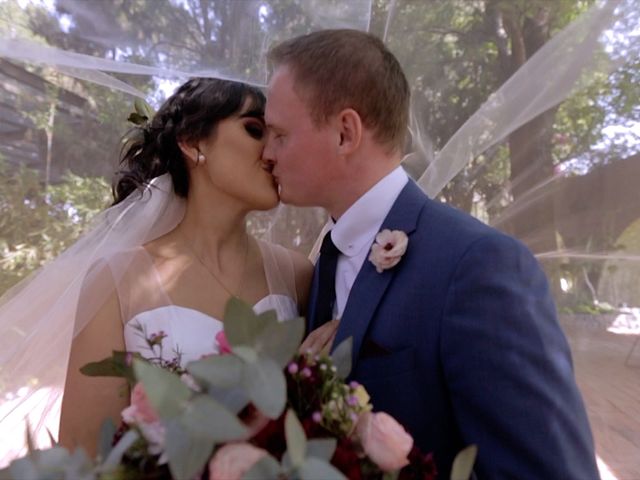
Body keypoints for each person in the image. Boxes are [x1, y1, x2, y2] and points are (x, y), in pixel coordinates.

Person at [263, 29, 600, 479]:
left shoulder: (478, 266)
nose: (266, 153)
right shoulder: (324, 260)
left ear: (345, 133)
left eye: (279, 134)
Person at [0, 78, 312, 460]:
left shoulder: (299, 276)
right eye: (254, 130)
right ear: (193, 143)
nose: (272, 152)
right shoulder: (117, 280)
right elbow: (85, 452)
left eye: (279, 136)